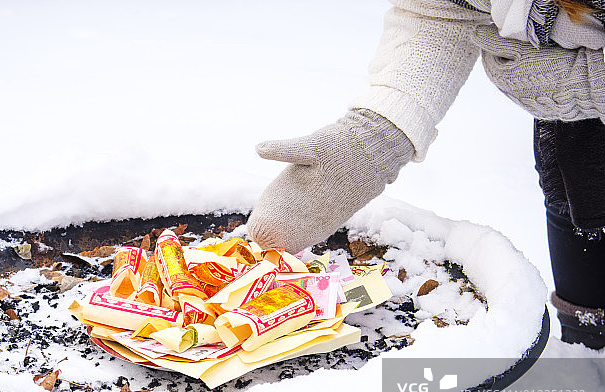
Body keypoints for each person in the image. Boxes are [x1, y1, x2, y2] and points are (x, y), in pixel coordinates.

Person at [246, 0, 605, 349]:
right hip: (577, 148)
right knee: (590, 339)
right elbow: (443, 8)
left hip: (577, 99)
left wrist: (590, 82)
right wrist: (377, 134)